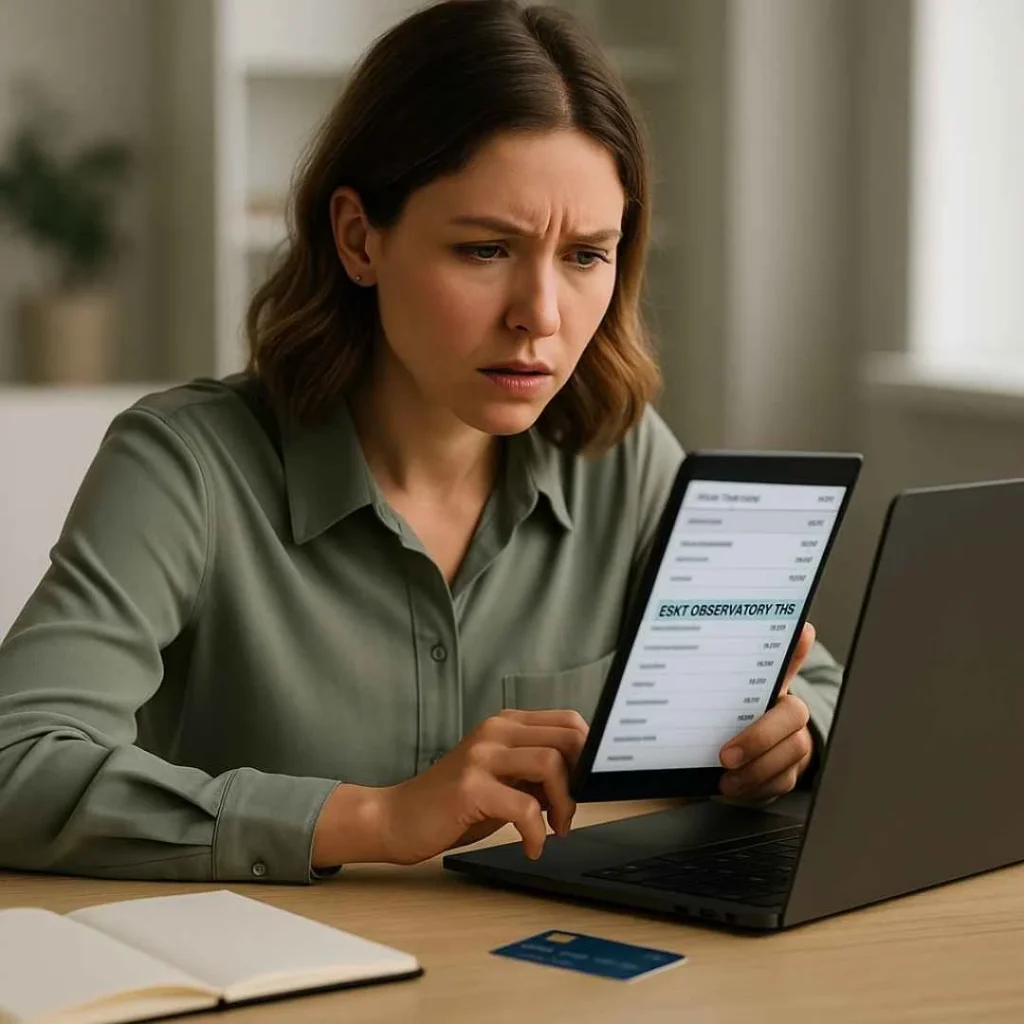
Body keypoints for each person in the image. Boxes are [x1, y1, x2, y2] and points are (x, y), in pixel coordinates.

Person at [0, 0, 842, 883]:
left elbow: (812, 686)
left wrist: (783, 741)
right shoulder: (186, 465)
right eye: (485, 250)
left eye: (586, 256)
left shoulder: (619, 457)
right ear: (360, 238)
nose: (541, 316)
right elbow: (18, 760)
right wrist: (377, 816)